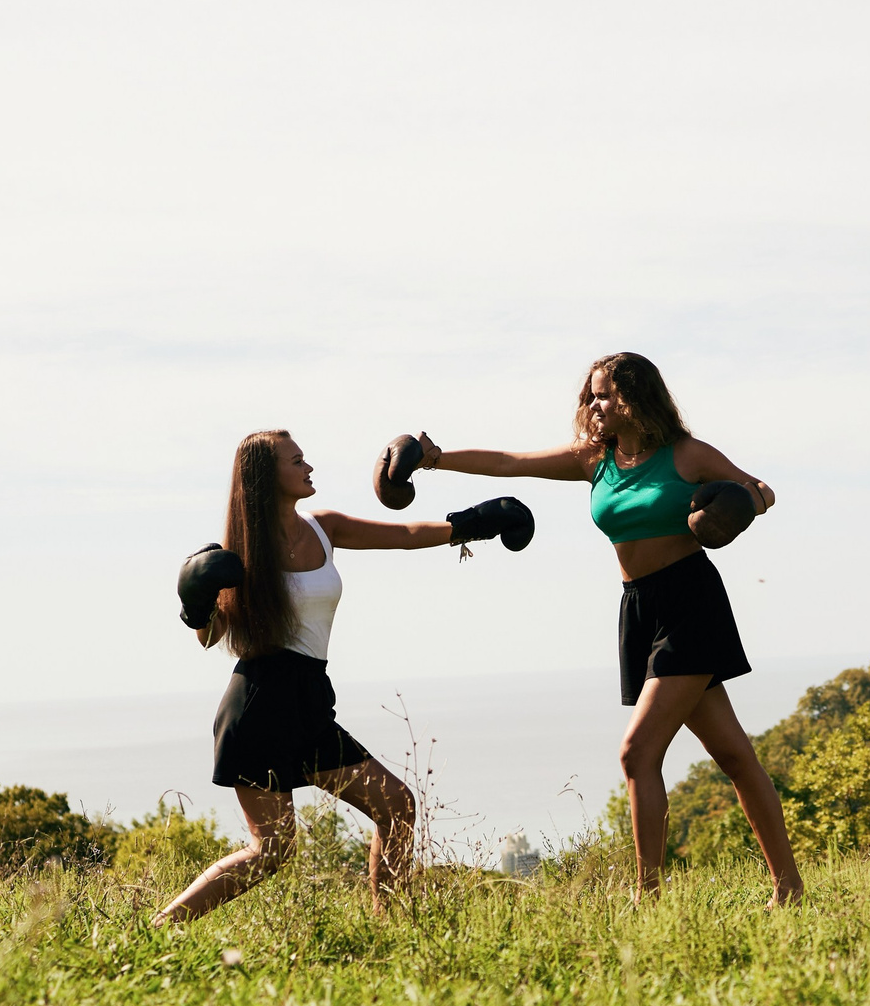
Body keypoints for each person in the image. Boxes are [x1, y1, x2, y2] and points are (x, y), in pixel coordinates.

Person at [397, 353, 803, 905]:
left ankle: (648, 896)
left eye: (605, 395)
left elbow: (762, 490)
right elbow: (511, 460)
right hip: (639, 609)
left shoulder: (686, 455)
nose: (593, 406)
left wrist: (739, 504)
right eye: (590, 396)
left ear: (636, 398)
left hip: (691, 602)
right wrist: (436, 458)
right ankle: (790, 888)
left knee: (637, 753)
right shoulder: (596, 460)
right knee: (733, 756)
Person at [156, 429, 529, 925]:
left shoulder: (324, 527)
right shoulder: (240, 553)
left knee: (396, 806)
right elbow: (211, 636)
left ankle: (388, 926)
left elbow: (407, 536)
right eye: (297, 460)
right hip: (258, 706)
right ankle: (162, 927)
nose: (309, 467)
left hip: (309, 701)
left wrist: (475, 523)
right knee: (270, 850)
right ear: (268, 476)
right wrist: (194, 606)